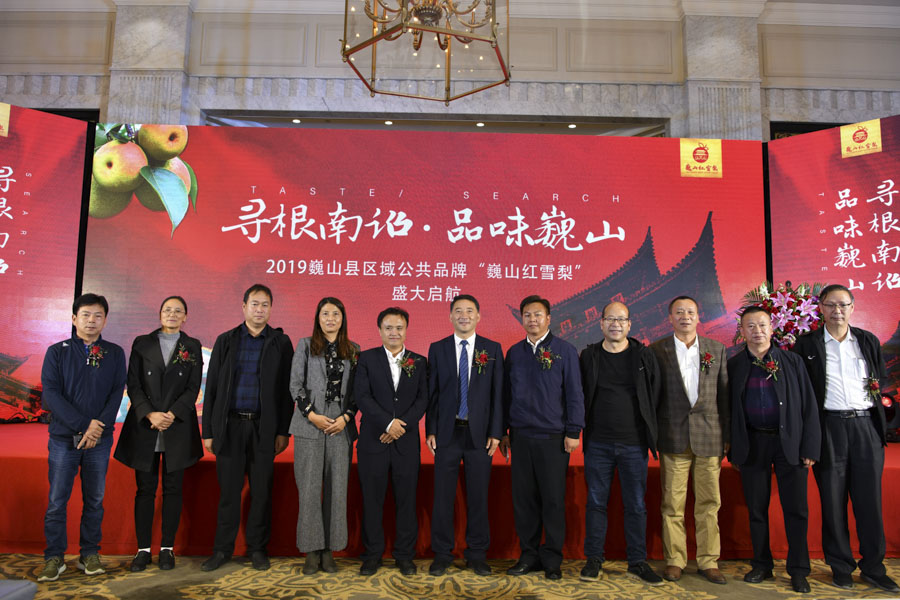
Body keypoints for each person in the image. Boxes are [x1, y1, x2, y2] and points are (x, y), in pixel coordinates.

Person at [793, 284, 898, 593]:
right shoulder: (807, 344)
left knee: (869, 501)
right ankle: (840, 567)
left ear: (852, 307)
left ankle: (874, 568)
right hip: (829, 427)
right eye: (830, 305)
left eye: (843, 305)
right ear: (820, 308)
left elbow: (879, 380)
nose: (837, 310)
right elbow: (801, 395)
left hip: (865, 426)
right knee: (833, 501)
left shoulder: (867, 340)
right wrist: (807, 440)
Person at [200, 284, 293, 572]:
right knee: (228, 493)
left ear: (271, 309)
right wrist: (208, 431)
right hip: (229, 427)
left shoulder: (280, 343)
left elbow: (286, 392)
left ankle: (257, 549)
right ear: (243, 307)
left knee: (261, 493)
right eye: (254, 304)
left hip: (263, 429)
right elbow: (212, 388)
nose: (259, 310)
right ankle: (222, 550)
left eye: (265, 305)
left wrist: (283, 431)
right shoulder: (226, 340)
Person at [728, 306, 820, 594]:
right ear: (742, 331)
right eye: (750, 326)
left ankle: (799, 570)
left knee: (796, 509)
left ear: (772, 328)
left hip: (789, 442)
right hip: (753, 443)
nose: (757, 331)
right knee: (756, 509)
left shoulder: (792, 361)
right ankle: (761, 564)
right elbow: (729, 410)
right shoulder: (734, 365)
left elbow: (809, 405)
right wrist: (733, 447)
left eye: (762, 325)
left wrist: (810, 446)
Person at [38, 293, 127, 582]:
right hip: (64, 438)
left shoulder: (114, 353)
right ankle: (54, 557)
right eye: (86, 315)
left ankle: (89, 553)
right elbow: (51, 394)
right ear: (74, 318)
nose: (92, 320)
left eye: (98, 315)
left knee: (95, 500)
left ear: (105, 320)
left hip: (99, 440)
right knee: (57, 500)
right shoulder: (57, 352)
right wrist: (83, 425)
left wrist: (97, 427)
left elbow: (117, 392)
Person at [113, 296, 203, 572]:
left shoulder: (192, 346)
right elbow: (134, 384)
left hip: (177, 426)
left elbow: (193, 387)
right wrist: (150, 414)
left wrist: (172, 414)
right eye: (167, 310)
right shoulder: (142, 343)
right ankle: (143, 550)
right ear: (160, 314)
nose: (172, 314)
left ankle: (167, 548)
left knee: (174, 489)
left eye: (178, 311)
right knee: (145, 489)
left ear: (185, 316)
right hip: (146, 425)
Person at [499, 295, 583, 581]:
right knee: (524, 500)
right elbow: (506, 395)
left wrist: (573, 431)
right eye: (527, 315)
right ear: (522, 319)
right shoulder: (515, 353)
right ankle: (529, 554)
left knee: (553, 499)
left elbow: (574, 393)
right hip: (521, 437)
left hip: (553, 438)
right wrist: (503, 431)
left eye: (538, 315)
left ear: (549, 319)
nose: (532, 319)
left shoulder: (564, 350)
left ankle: (552, 558)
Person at [578, 301, 662, 586]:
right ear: (601, 323)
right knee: (596, 503)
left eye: (621, 320)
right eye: (610, 319)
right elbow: (580, 394)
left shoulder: (643, 355)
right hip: (598, 443)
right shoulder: (589, 356)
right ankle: (594, 559)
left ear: (629, 325)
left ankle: (637, 562)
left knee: (636, 504)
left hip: (634, 443)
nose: (615, 324)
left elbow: (655, 394)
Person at [649, 296, 729, 584]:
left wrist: (727, 436)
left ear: (698, 316)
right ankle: (675, 559)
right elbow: (653, 397)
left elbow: (724, 396)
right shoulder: (657, 350)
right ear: (670, 317)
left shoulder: (716, 349)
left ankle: (709, 560)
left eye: (690, 312)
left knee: (709, 502)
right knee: (672, 504)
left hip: (710, 436)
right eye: (679, 312)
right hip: (673, 436)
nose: (685, 316)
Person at [425, 295, 504, 577]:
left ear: (478, 316)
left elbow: (498, 394)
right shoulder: (437, 348)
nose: (464, 315)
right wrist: (430, 429)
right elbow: (432, 393)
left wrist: (496, 431)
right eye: (458, 311)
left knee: (478, 497)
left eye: (470, 311)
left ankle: (477, 554)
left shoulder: (491, 349)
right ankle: (442, 554)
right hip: (446, 434)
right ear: (450, 316)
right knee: (443, 498)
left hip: (480, 436)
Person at [354, 307, 428, 576]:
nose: (394, 332)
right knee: (372, 500)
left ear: (406, 330)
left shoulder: (419, 361)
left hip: (405, 444)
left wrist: (400, 426)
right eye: (388, 328)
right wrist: (387, 424)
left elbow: (423, 399)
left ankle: (404, 555)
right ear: (380, 330)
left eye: (399, 328)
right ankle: (372, 554)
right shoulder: (366, 359)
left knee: (406, 501)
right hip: (373, 441)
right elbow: (362, 396)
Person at [289, 297, 359, 575]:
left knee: (337, 489)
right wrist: (312, 415)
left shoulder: (353, 350)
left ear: (343, 318)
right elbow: (295, 385)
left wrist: (345, 418)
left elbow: (357, 392)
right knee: (308, 489)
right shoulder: (305, 345)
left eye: (336, 314)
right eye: (325, 314)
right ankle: (311, 549)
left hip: (341, 425)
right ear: (318, 318)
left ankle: (330, 549)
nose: (330, 318)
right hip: (310, 423)